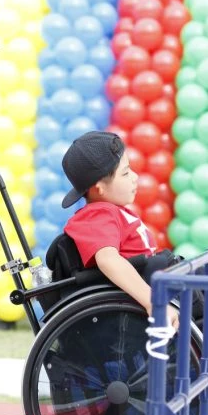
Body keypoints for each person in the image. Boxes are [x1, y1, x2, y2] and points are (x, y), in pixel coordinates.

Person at [59, 130, 179, 330]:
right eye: (125, 173)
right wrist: (152, 302)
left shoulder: (114, 212)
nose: (135, 177)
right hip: (140, 305)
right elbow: (108, 259)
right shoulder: (96, 215)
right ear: (99, 188)